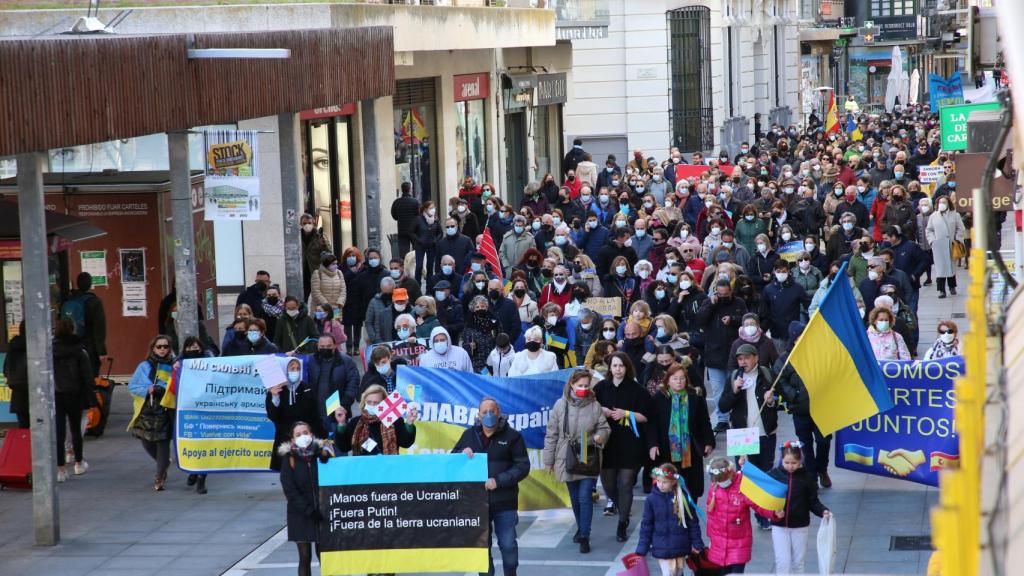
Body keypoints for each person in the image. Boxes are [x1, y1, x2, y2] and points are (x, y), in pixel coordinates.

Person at [454, 398, 531, 576]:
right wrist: (460, 454)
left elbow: (522, 467)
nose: (489, 415)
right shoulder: (469, 435)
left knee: (508, 545)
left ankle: (511, 572)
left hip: (505, 502)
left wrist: (499, 480)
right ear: (478, 415)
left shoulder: (513, 437)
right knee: (482, 548)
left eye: (492, 411)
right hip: (477, 504)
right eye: (484, 412)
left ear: (499, 412)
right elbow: (453, 460)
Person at [543, 370, 611, 554]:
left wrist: (600, 436)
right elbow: (552, 434)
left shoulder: (595, 405)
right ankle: (581, 528)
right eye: (580, 385)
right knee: (575, 499)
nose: (583, 389)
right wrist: (548, 460)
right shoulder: (560, 405)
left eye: (586, 385)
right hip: (567, 454)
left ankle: (584, 536)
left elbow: (604, 427)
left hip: (588, 453)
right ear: (571, 385)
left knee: (585, 497)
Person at [719, 343, 778, 529]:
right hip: (742, 434)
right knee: (745, 477)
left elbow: (780, 402)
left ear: (756, 358)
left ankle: (763, 514)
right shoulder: (734, 377)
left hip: (765, 433)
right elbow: (723, 406)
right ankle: (747, 513)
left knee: (765, 474)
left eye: (746, 358)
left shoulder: (767, 375)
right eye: (739, 359)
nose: (742, 362)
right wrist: (735, 391)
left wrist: (771, 401)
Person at [594, 352, 652, 541]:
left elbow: (646, 416)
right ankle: (621, 506)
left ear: (627, 367)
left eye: (621, 366)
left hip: (631, 444)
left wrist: (627, 414)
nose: (618, 369)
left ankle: (622, 522)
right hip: (607, 443)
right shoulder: (601, 388)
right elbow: (588, 408)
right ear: (609, 368)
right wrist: (601, 410)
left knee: (626, 483)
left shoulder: (638, 390)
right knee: (609, 485)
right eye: (615, 366)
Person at [776, 321, 833, 488]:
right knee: (805, 443)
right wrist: (794, 395)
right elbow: (779, 379)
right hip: (800, 409)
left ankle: (822, 468)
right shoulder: (786, 358)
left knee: (824, 441)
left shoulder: (820, 354)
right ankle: (812, 475)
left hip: (822, 406)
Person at [647, 363, 714, 501]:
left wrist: (708, 441)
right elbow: (652, 424)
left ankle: (690, 515)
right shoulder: (659, 398)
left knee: (691, 489)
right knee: (668, 487)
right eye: (675, 378)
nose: (679, 382)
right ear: (668, 380)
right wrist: (653, 444)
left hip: (691, 450)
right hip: (667, 450)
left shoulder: (695, 397)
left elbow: (704, 421)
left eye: (682, 378)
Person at [278, 420, 335, 576]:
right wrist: (308, 510)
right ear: (292, 439)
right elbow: (289, 490)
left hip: (321, 512)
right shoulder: (289, 459)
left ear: (311, 434)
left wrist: (328, 459)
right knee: (304, 557)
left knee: (323, 554)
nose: (303, 436)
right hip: (300, 514)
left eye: (305, 433)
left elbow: (333, 481)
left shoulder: (322, 454)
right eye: (298, 434)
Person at [769, 442, 832, 574]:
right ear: (781, 460)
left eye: (794, 462)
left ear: (800, 461)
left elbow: (813, 502)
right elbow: (757, 483)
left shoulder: (808, 478)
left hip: (800, 526)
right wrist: (743, 465)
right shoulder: (773, 475)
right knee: (782, 562)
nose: (790, 466)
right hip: (779, 525)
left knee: (798, 562)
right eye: (786, 462)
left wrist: (823, 511)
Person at [704, 457, 773, 574]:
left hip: (739, 541)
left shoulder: (743, 485)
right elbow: (712, 515)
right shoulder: (715, 487)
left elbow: (758, 505)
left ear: (730, 473)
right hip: (719, 542)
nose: (721, 484)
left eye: (723, 480)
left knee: (736, 573)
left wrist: (773, 513)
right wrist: (711, 537)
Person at [635, 463, 705, 576]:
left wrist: (697, 544)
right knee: (667, 573)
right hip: (661, 546)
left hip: (680, 545)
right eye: (658, 481)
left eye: (664, 482)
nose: (660, 485)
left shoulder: (682, 498)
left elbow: (692, 522)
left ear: (673, 481)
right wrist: (642, 548)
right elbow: (646, 525)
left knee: (677, 573)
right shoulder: (651, 500)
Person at [697, 280, 748, 433]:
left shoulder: (739, 302)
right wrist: (711, 305)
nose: (723, 297)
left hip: (733, 354)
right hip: (714, 353)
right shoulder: (709, 302)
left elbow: (747, 320)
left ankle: (736, 417)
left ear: (731, 291)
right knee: (718, 390)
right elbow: (700, 320)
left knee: (734, 388)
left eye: (726, 294)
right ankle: (722, 419)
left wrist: (733, 320)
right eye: (720, 294)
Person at [128, 334, 176, 490]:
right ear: (153, 348)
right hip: (147, 410)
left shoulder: (175, 365)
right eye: (159, 347)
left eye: (165, 346)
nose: (162, 350)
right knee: (146, 441)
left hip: (166, 409)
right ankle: (163, 464)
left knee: (163, 442)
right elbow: (133, 386)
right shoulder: (144, 366)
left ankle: (159, 476)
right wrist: (147, 389)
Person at [52, 318, 93, 482]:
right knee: (75, 429)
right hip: (75, 395)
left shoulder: (50, 350)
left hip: (56, 394)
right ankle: (78, 463)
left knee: (59, 431)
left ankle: (60, 470)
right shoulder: (80, 350)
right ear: (73, 329)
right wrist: (89, 397)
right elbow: (87, 376)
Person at [333, 384, 418, 456]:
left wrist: (409, 423)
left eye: (376, 403)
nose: (372, 405)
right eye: (369, 402)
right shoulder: (356, 422)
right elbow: (343, 447)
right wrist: (341, 424)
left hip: (388, 469)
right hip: (363, 470)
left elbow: (406, 443)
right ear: (364, 401)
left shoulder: (394, 421)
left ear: (384, 403)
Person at [307, 334, 360, 417]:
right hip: (316, 413)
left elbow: (353, 384)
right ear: (318, 346)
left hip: (338, 412)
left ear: (335, 346)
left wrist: (344, 404)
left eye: (329, 346)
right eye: (322, 346)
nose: (325, 349)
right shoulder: (311, 360)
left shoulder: (346, 361)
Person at [66, 272, 107, 376]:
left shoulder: (69, 300)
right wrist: (101, 350)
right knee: (90, 375)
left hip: (71, 345)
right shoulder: (95, 302)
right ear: (90, 285)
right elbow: (99, 328)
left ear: (77, 284)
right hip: (88, 346)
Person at [925, 196, 965, 298]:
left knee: (951, 268)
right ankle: (941, 290)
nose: (942, 204)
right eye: (940, 202)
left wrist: (957, 239)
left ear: (948, 203)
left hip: (951, 245)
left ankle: (952, 286)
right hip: (938, 246)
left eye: (944, 202)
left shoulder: (955, 215)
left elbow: (960, 228)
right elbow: (929, 230)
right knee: (940, 269)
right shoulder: (933, 216)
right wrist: (932, 241)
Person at [3, 321, 28, 427]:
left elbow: (5, 370)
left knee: (23, 427)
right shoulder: (36, 346)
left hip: (17, 394)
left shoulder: (13, 347)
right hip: (35, 392)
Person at [300, 213, 330, 300]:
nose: (307, 225)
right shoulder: (297, 236)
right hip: (302, 272)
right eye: (304, 223)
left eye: (309, 223)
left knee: (316, 297)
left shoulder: (320, 236)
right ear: (301, 224)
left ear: (313, 223)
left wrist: (324, 245)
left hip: (315, 271)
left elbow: (329, 254)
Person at [363, 277, 397, 345]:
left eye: (390, 292)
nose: (388, 295)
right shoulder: (374, 302)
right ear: (381, 289)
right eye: (386, 292)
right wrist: (374, 338)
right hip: (378, 341)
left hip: (395, 340)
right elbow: (369, 322)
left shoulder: (397, 301)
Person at [391, 181, 421, 256]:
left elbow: (394, 215)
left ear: (402, 190)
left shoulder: (396, 202)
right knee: (417, 251)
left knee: (403, 252)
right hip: (414, 230)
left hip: (402, 230)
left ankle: (405, 265)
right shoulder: (415, 201)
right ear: (410, 189)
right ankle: (416, 265)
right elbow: (419, 215)